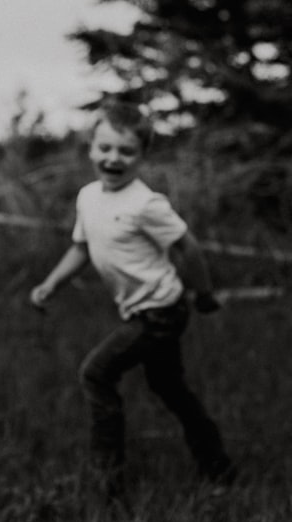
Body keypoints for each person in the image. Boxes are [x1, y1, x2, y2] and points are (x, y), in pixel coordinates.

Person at [29, 100, 232, 500]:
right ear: (90, 149)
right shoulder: (88, 197)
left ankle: (109, 485)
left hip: (160, 312)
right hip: (144, 311)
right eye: (104, 148)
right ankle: (219, 469)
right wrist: (51, 284)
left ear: (142, 155)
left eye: (126, 151)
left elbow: (188, 249)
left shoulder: (146, 203)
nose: (113, 158)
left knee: (96, 374)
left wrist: (203, 294)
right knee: (170, 388)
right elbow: (81, 248)